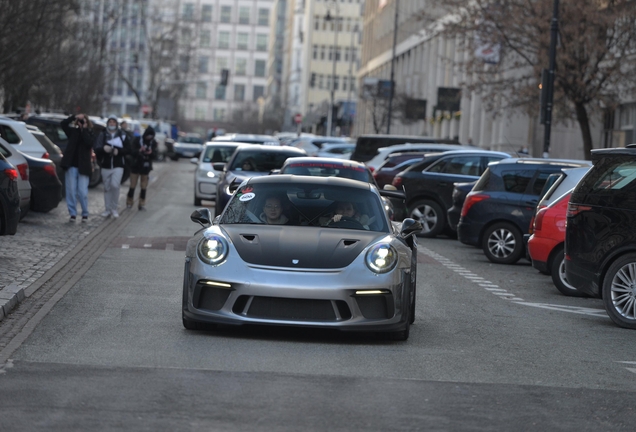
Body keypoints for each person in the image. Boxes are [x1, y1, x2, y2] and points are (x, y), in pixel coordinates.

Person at [94, 116, 131, 218]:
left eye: (113, 122)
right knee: (107, 187)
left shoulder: (122, 135)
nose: (111, 124)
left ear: (116, 124)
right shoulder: (103, 134)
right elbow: (97, 148)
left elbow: (129, 149)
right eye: (110, 122)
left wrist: (119, 151)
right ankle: (107, 209)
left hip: (118, 164)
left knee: (115, 185)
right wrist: (103, 149)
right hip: (105, 165)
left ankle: (114, 208)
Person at [60, 114, 94, 223]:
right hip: (71, 165)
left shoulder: (90, 133)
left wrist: (84, 129)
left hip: (84, 167)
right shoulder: (72, 132)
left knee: (82, 192)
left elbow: (89, 143)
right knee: (71, 190)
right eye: (80, 121)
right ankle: (73, 214)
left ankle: (85, 213)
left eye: (83, 121)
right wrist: (74, 117)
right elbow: (63, 124)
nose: (81, 122)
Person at [126, 126, 157, 210]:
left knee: (144, 187)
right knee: (132, 185)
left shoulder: (153, 143)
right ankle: (129, 202)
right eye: (148, 136)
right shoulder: (137, 140)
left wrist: (151, 153)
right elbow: (131, 151)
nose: (149, 138)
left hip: (146, 167)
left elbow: (155, 155)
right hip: (135, 166)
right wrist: (139, 150)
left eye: (151, 136)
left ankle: (142, 203)